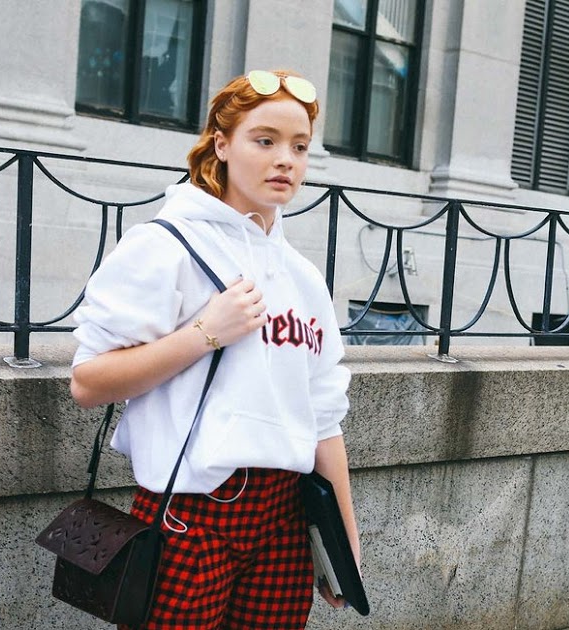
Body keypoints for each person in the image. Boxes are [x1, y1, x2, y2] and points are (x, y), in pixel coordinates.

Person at [69, 69, 359, 629]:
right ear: (222, 145)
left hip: (284, 517)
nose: (285, 161)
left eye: (299, 147)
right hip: (189, 513)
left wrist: (345, 544)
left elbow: (325, 418)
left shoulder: (302, 278)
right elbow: (88, 382)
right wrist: (205, 332)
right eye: (265, 140)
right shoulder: (164, 245)